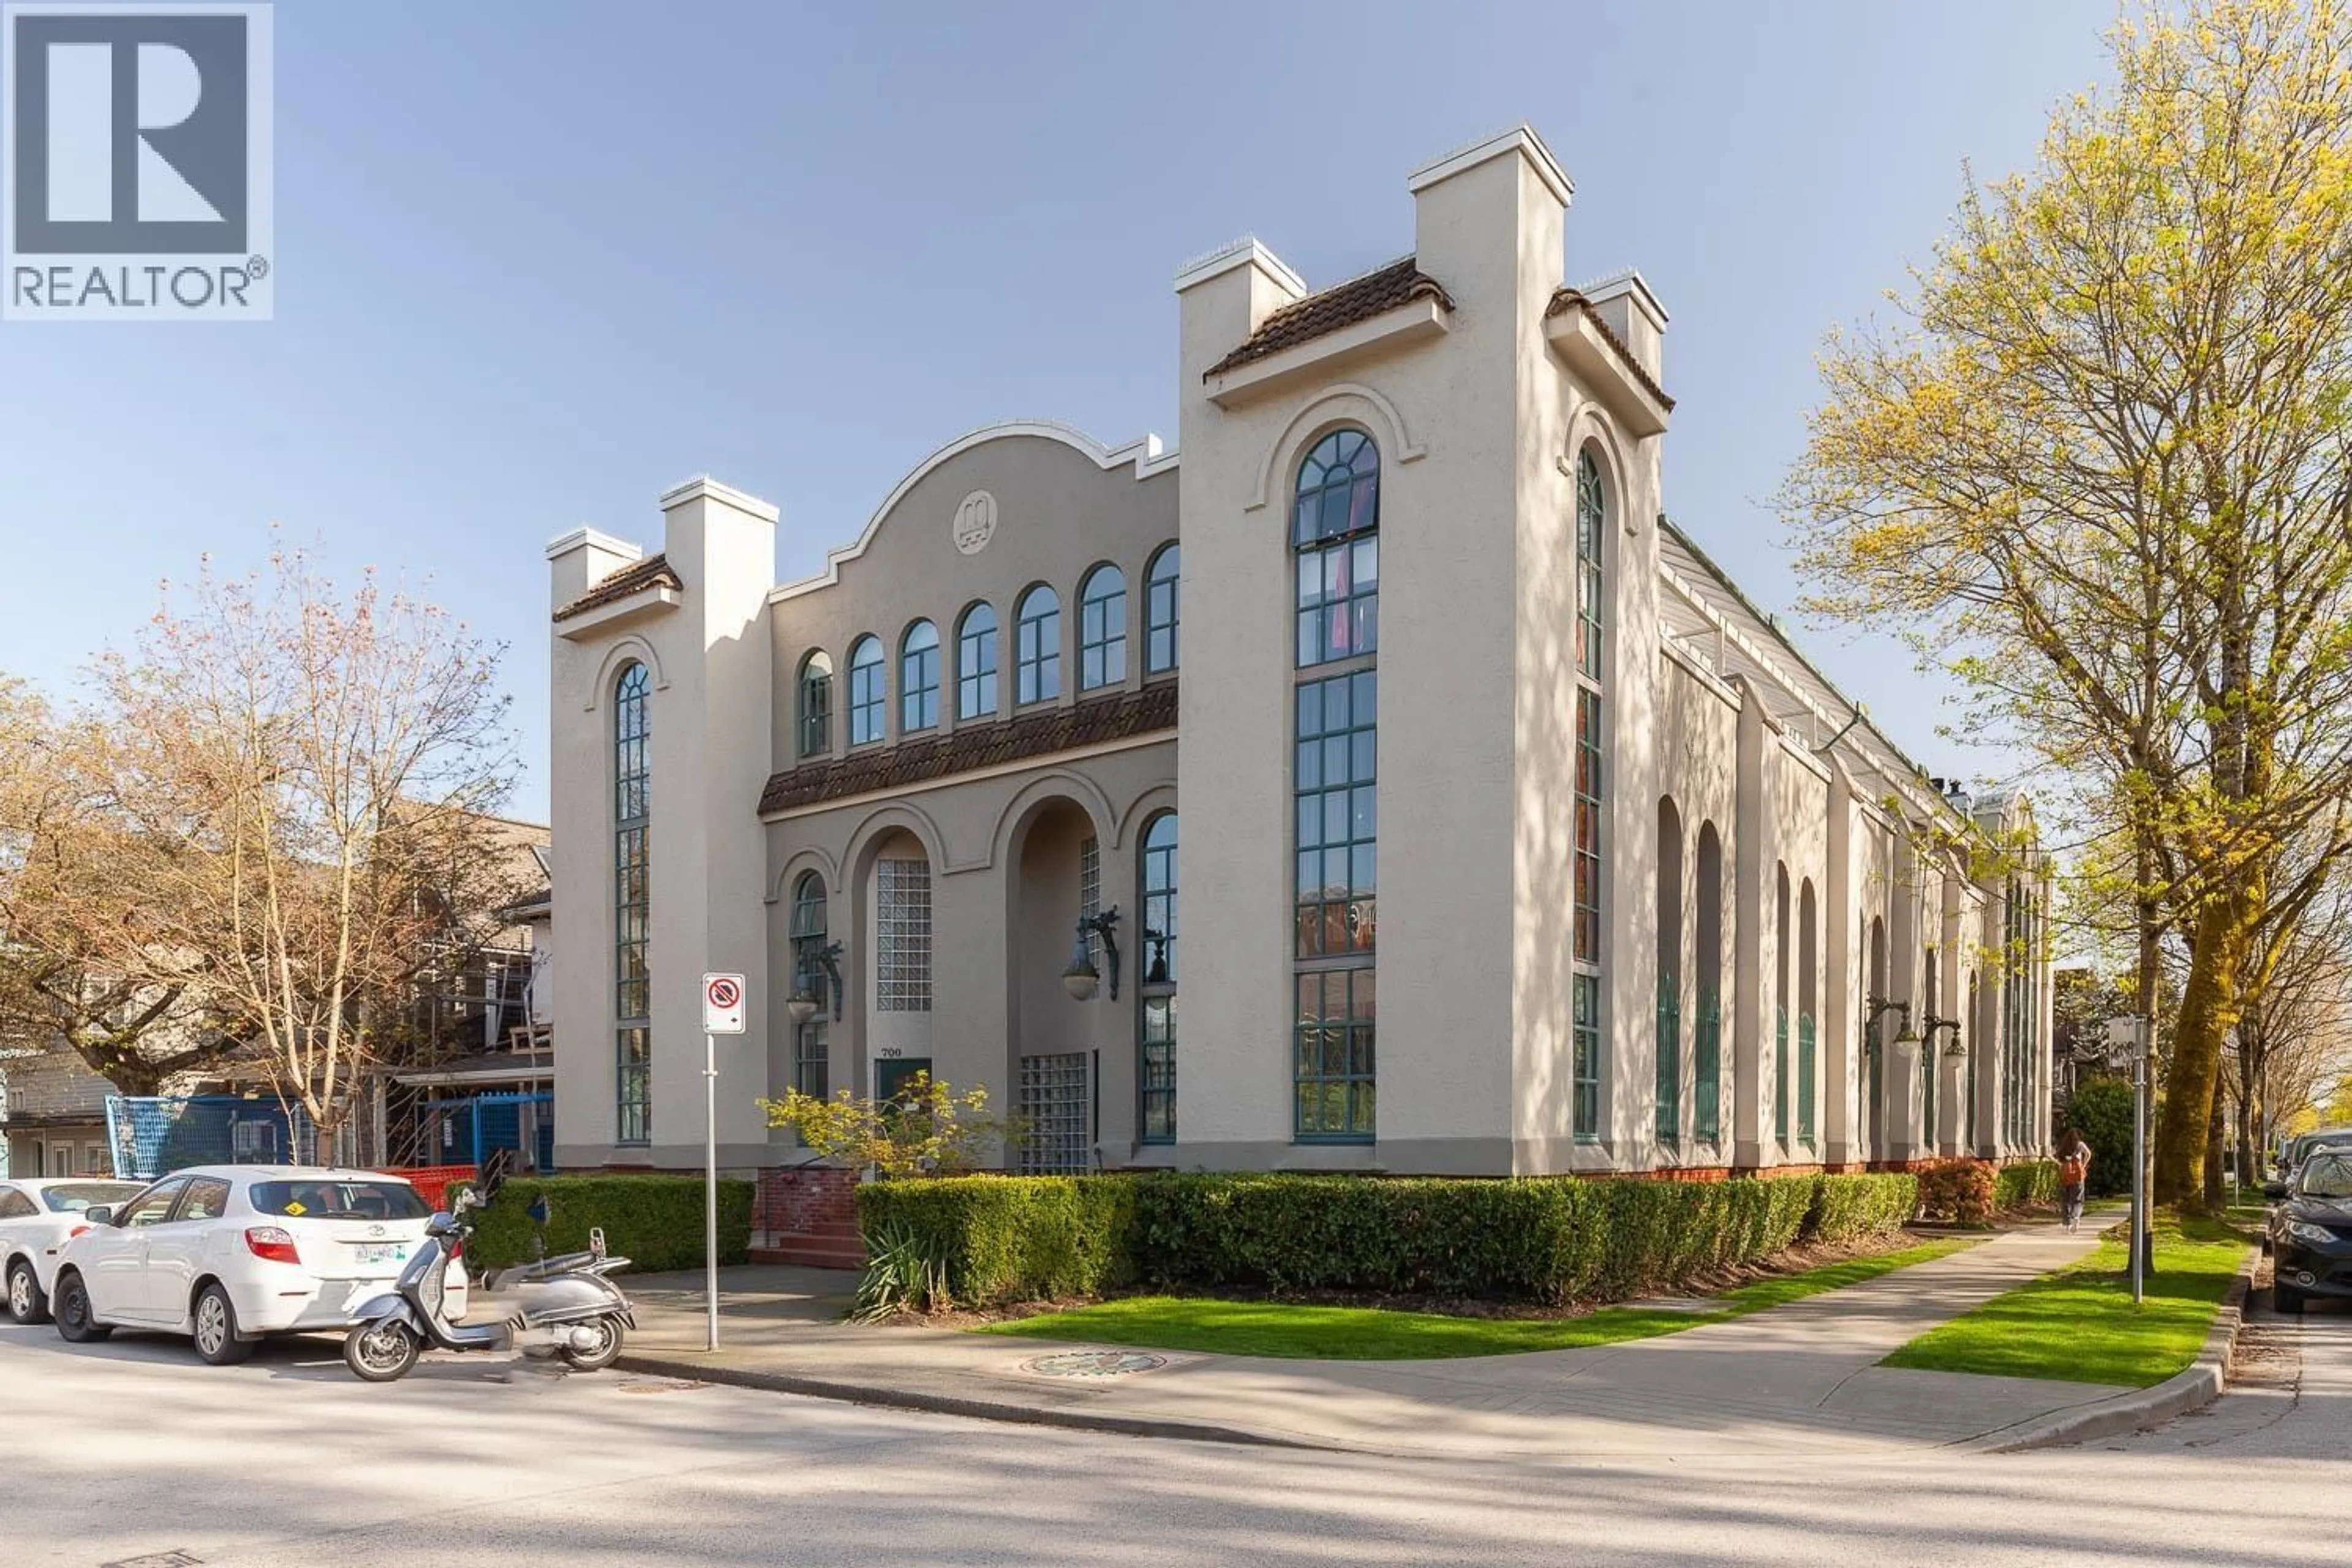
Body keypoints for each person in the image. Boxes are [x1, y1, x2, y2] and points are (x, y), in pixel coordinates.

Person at [2056, 1127, 2092, 1232]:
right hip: (2078, 1176)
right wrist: (2083, 1165)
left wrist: (2064, 1165)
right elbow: (2088, 1154)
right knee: (2077, 1199)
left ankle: (2068, 1223)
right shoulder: (2080, 1145)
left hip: (2066, 1177)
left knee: (2066, 1200)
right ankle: (2076, 1217)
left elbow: (2058, 1157)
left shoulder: (2063, 1146)